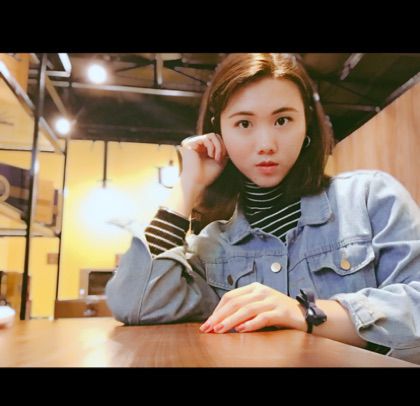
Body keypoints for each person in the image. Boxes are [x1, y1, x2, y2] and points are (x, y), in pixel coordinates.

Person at [105, 53, 420, 364]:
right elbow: (137, 304)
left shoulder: (369, 198)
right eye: (244, 123)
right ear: (220, 131)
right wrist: (188, 185)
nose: (266, 143)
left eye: (283, 120)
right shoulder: (212, 246)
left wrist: (306, 312)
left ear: (307, 125)